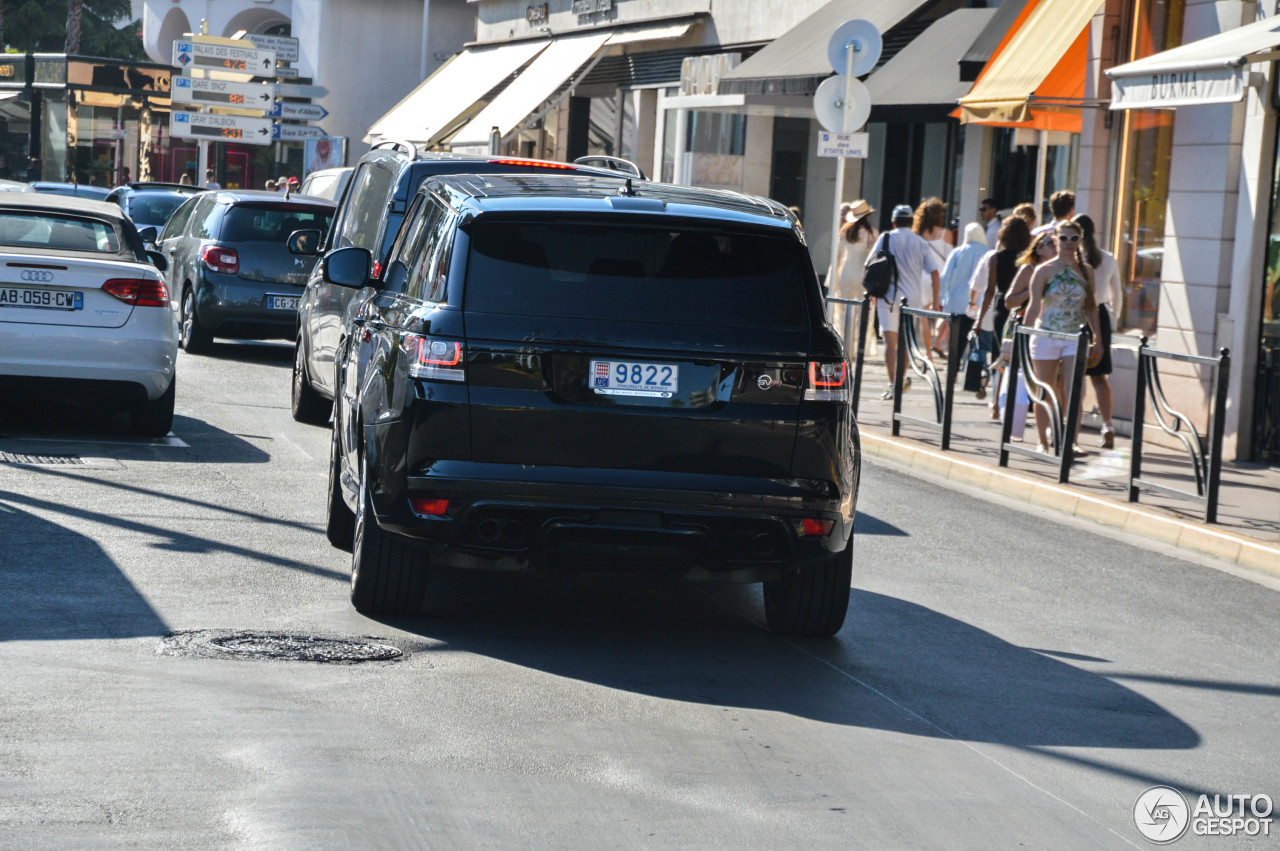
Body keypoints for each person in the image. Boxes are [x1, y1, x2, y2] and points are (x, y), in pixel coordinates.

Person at [1023, 220, 1101, 456]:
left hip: (1074, 336)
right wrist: (1023, 336)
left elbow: (1090, 307)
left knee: (1073, 389)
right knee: (1045, 389)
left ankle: (1071, 441)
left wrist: (1099, 338)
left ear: (1080, 241)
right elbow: (1034, 305)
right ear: (1055, 240)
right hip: (1046, 333)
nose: (1068, 243)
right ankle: (1043, 441)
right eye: (1063, 238)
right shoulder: (1044, 270)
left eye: (1073, 238)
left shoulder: (1086, 270)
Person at [871, 203, 942, 399]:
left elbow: (870, 264)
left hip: (887, 296)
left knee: (890, 343)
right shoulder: (920, 243)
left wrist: (871, 292)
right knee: (905, 344)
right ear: (911, 222)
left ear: (894, 222)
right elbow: (935, 273)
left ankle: (893, 384)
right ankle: (900, 383)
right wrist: (936, 302)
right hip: (912, 300)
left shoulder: (885, 238)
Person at [1074, 213, 1122, 448]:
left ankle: (1069, 427)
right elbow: (1117, 294)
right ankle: (1107, 425)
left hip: (1077, 314)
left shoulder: (1075, 259)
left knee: (1073, 378)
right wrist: (1115, 317)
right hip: (1100, 315)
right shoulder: (1108, 258)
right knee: (1099, 377)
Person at [937, 222, 987, 351]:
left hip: (956, 303)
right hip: (979, 304)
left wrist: (941, 299)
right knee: (974, 341)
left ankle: (953, 367)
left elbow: (945, 277)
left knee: (956, 341)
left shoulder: (957, 252)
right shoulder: (988, 253)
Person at [830, 199, 877, 339]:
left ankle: (845, 342)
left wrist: (834, 277)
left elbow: (838, 257)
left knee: (845, 310)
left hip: (846, 271)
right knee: (861, 311)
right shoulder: (872, 233)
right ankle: (857, 345)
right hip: (863, 274)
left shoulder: (845, 231)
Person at [913, 197, 950, 358]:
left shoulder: (917, 234)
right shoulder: (945, 234)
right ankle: (938, 342)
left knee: (923, 317)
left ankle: (928, 354)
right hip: (939, 277)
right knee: (943, 312)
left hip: (921, 276)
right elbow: (949, 258)